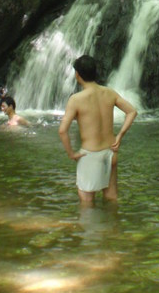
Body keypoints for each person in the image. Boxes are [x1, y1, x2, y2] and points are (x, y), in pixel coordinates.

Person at [58, 54, 138, 206]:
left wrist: (71, 154)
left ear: (77, 75)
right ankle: (113, 229)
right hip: (110, 152)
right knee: (111, 198)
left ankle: (92, 229)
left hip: (90, 155)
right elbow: (132, 111)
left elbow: (62, 131)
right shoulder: (109, 92)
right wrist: (119, 136)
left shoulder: (76, 99)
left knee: (87, 203)